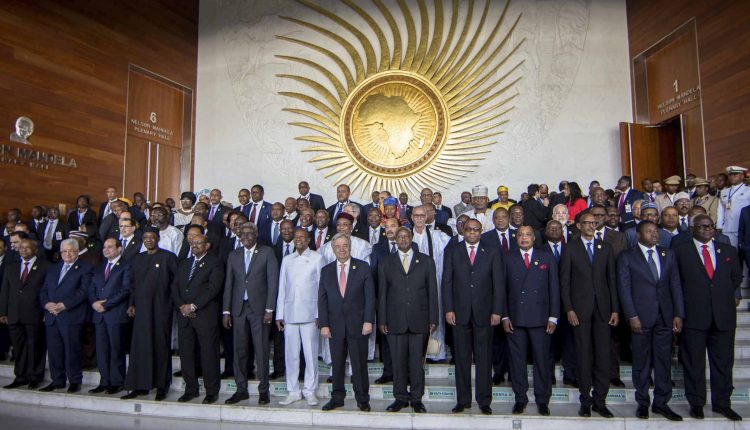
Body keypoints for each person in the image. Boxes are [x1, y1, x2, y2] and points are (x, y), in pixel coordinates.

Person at [674, 214, 743, 421]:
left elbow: (735, 278)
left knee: (723, 363)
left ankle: (722, 403)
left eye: (710, 226)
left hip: (723, 317)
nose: (706, 229)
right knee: (693, 362)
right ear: (693, 228)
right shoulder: (680, 251)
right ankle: (696, 403)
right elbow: (675, 283)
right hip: (694, 317)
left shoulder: (728, 251)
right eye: (702, 226)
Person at [617, 220, 684, 420]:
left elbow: (676, 285)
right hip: (640, 318)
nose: (654, 234)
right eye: (649, 231)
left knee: (663, 362)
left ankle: (662, 403)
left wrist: (678, 313)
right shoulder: (627, 256)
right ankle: (643, 402)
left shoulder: (668, 254)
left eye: (655, 231)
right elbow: (624, 289)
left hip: (664, 317)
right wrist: (632, 315)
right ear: (638, 235)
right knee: (642, 362)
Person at [560, 211, 618, 418]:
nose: (592, 226)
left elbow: (612, 280)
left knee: (603, 356)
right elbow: (564, 283)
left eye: (594, 223)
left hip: (603, 310)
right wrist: (569, 309)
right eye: (587, 223)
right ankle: (585, 400)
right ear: (578, 226)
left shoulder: (606, 248)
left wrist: (615, 309)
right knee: (583, 356)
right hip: (580, 310)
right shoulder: (570, 249)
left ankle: (600, 400)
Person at [442, 218, 504, 415]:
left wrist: (497, 311)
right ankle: (463, 400)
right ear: (463, 230)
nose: (472, 233)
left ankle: (484, 400)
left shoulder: (492, 251)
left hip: (485, 313)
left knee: (484, 358)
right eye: (468, 229)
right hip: (459, 313)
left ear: (481, 231)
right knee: (461, 358)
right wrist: (449, 309)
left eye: (476, 230)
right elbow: (447, 282)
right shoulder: (452, 251)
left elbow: (498, 284)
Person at [379, 227, 439, 413]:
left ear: (412, 238)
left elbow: (432, 291)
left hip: (419, 320)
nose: (403, 239)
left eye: (406, 236)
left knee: (416, 363)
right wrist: (382, 319)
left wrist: (433, 318)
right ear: (395, 239)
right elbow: (382, 294)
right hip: (394, 320)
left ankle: (416, 398)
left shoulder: (426, 261)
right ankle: (400, 398)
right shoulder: (385, 262)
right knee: (398, 363)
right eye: (400, 237)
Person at [502, 225, 559, 416]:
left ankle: (543, 400)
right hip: (515, 318)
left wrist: (553, 317)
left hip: (541, 318)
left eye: (528, 235)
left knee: (542, 361)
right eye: (520, 235)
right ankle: (520, 399)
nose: (524, 238)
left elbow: (554, 289)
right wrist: (504, 315)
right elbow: (501, 289)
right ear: (515, 238)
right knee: (517, 362)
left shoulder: (546, 257)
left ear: (534, 238)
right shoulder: (508, 258)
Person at [223, 223, 278, 406]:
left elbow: (272, 282)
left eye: (249, 234)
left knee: (261, 350)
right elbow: (229, 284)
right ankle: (241, 389)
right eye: (242, 234)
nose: (245, 237)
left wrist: (270, 309)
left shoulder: (267, 252)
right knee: (239, 351)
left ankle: (264, 390)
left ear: (256, 235)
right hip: (238, 309)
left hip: (260, 310)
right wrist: (226, 311)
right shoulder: (234, 255)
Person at [318, 233, 375, 412]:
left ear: (350, 247)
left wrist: (368, 321)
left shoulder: (363, 267)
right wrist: (324, 324)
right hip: (334, 326)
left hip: (358, 324)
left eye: (345, 245)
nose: (342, 249)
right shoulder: (326, 270)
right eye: (338, 246)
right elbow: (322, 299)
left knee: (359, 364)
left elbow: (370, 297)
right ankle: (337, 398)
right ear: (333, 249)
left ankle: (362, 398)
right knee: (337, 364)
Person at [122, 229, 178, 400]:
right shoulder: (137, 259)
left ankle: (162, 386)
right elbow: (132, 284)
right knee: (140, 346)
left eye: (152, 237)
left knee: (160, 345)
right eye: (145, 238)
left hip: (162, 309)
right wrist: (131, 303)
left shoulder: (168, 257)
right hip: (141, 310)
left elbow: (176, 283)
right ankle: (140, 385)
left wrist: (173, 304)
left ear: (158, 239)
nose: (148, 240)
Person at [171, 234, 224, 404]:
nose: (194, 245)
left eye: (199, 243)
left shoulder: (215, 262)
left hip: (204, 316)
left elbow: (213, 288)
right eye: (192, 243)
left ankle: (211, 391)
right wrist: (182, 306)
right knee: (186, 354)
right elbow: (175, 287)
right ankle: (191, 389)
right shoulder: (185, 263)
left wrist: (193, 306)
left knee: (208, 354)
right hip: (184, 316)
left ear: (207, 245)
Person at [276, 229, 323, 406]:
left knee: (310, 355)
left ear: (309, 239)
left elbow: (321, 287)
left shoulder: (317, 258)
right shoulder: (287, 260)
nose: (299, 240)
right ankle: (293, 391)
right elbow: (282, 286)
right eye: (296, 238)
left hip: (310, 314)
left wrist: (320, 313)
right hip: (289, 314)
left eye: (302, 237)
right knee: (291, 355)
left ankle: (310, 390)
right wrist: (280, 314)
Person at [39, 239, 93, 393]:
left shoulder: (85, 268)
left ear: (77, 252)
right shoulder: (53, 268)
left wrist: (64, 305)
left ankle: (75, 381)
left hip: (71, 316)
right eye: (64, 251)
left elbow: (83, 292)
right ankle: (57, 380)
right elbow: (44, 290)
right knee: (55, 351)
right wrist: (47, 304)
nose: (67, 254)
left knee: (72, 351)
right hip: (52, 316)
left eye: (70, 251)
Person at [0, 239, 49, 389]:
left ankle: (35, 377)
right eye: (21, 248)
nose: (23, 250)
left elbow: (48, 291)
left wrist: (45, 311)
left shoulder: (45, 266)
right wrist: (3, 312)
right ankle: (20, 376)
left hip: (35, 314)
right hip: (14, 314)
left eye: (27, 248)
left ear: (35, 249)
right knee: (18, 348)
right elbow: (5, 291)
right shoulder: (11, 268)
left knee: (35, 346)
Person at [88, 238, 130, 395]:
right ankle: (104, 381)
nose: (106, 250)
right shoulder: (99, 267)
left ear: (119, 249)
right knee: (102, 350)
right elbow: (91, 288)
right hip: (98, 315)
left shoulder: (126, 266)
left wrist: (105, 305)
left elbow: (125, 290)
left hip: (115, 315)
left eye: (110, 247)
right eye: (104, 247)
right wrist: (94, 303)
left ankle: (117, 382)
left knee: (116, 350)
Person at [717, 165, 750, 246]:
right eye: (730, 175)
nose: (732, 177)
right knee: (731, 253)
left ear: (742, 176)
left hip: (744, 228)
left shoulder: (748, 190)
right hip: (728, 228)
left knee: (744, 254)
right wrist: (719, 226)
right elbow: (720, 210)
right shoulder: (724, 192)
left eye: (735, 175)